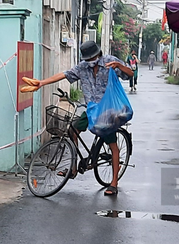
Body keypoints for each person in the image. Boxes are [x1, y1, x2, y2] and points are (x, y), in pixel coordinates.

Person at [29, 41, 133, 196]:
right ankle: (73, 168)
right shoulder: (83, 67)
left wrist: (119, 65)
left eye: (93, 58)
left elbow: (130, 73)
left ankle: (114, 183)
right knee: (73, 129)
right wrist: (41, 83)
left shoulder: (109, 61)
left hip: (108, 110)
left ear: (98, 54)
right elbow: (64, 74)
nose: (91, 61)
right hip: (92, 109)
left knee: (111, 144)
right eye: (88, 59)